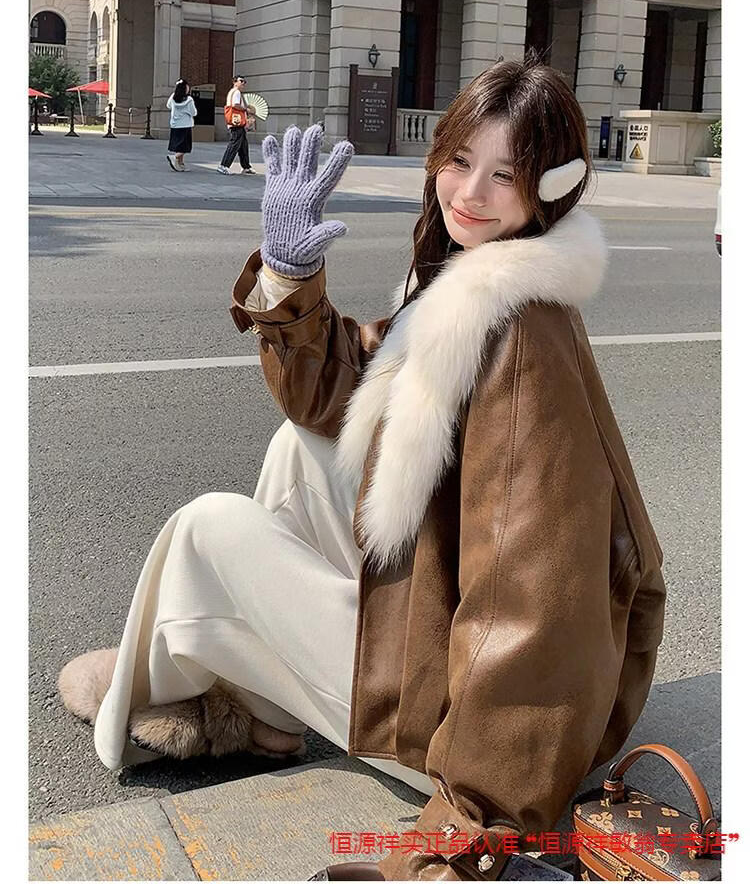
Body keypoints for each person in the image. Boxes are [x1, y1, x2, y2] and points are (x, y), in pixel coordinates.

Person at [58, 57, 666, 881]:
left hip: (488, 747)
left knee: (207, 529)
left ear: (551, 189)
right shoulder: (474, 283)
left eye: (505, 175)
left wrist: (475, 820)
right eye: (461, 160)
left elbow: (535, 597)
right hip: (456, 654)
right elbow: (337, 395)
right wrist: (289, 276)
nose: (470, 193)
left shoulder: (521, 333)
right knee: (298, 449)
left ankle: (185, 699)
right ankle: (259, 707)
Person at [217, 74, 255, 175]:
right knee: (234, 144)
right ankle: (224, 165)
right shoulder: (236, 92)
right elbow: (235, 105)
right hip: (236, 123)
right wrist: (246, 109)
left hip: (236, 122)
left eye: (244, 82)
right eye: (241, 81)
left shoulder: (232, 92)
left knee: (243, 145)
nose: (243, 83)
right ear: (235, 82)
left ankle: (246, 167)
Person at [165, 79, 197, 172]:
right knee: (185, 146)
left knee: (178, 145)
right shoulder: (189, 100)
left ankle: (180, 164)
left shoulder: (173, 96)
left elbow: (168, 105)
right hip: (185, 125)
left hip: (175, 125)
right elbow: (194, 112)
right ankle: (174, 157)